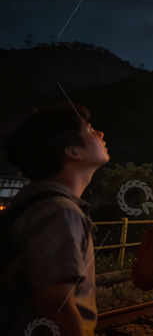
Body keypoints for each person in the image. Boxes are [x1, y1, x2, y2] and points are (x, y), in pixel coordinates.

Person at [1, 104, 109, 335]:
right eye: (90, 130)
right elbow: (55, 307)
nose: (100, 134)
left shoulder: (32, 203)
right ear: (72, 151)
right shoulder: (59, 211)